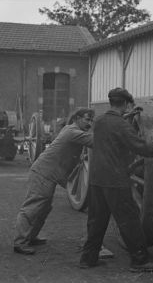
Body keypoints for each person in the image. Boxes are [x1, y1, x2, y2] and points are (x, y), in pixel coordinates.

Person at [79, 87, 153, 272]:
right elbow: (140, 147)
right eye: (126, 106)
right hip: (115, 180)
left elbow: (113, 127)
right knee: (129, 220)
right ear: (124, 103)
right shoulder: (122, 125)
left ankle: (88, 259)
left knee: (96, 221)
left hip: (97, 180)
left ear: (110, 102)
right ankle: (139, 261)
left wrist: (127, 116)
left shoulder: (99, 121)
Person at [13, 107, 95, 255]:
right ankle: (20, 242)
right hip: (43, 173)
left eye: (91, 120)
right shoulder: (72, 132)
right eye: (87, 119)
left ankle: (30, 237)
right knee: (32, 208)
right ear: (77, 118)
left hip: (47, 173)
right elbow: (93, 141)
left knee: (43, 208)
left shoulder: (70, 130)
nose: (90, 123)